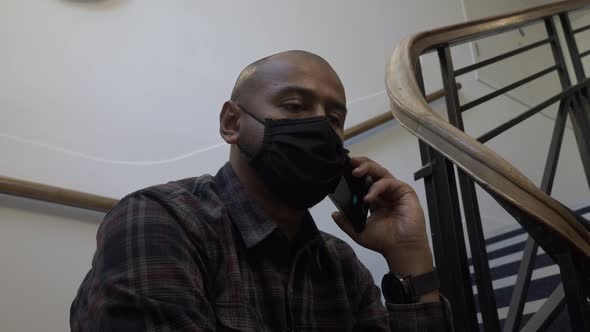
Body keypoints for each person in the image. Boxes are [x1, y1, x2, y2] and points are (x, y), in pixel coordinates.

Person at [71, 50, 452, 331]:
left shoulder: (341, 266)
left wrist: (409, 257)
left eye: (334, 119)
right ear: (232, 123)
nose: (319, 125)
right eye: (294, 105)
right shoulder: (161, 220)